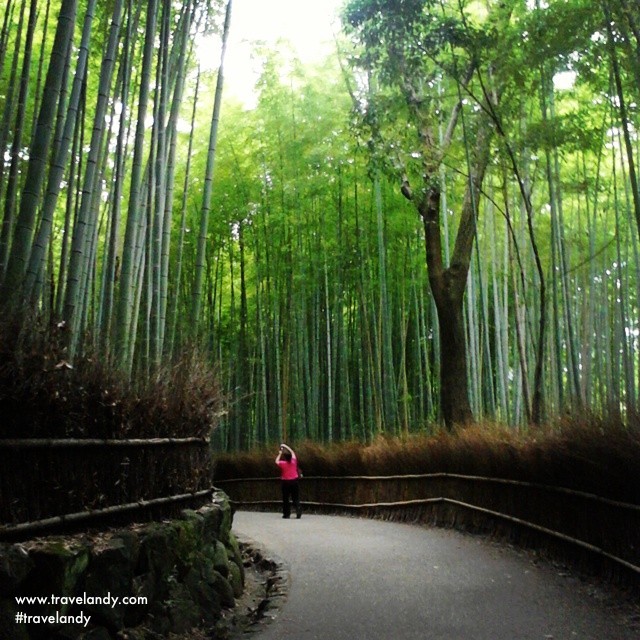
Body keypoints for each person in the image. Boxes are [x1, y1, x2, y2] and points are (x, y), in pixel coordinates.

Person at [275, 443, 302, 519]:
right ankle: (298, 509)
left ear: (285, 458)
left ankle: (286, 514)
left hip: (286, 483)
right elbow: (292, 452)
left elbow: (276, 461)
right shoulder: (294, 462)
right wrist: (286, 446)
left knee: (286, 498)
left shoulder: (283, 464)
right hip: (294, 481)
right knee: (295, 497)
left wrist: (280, 453)